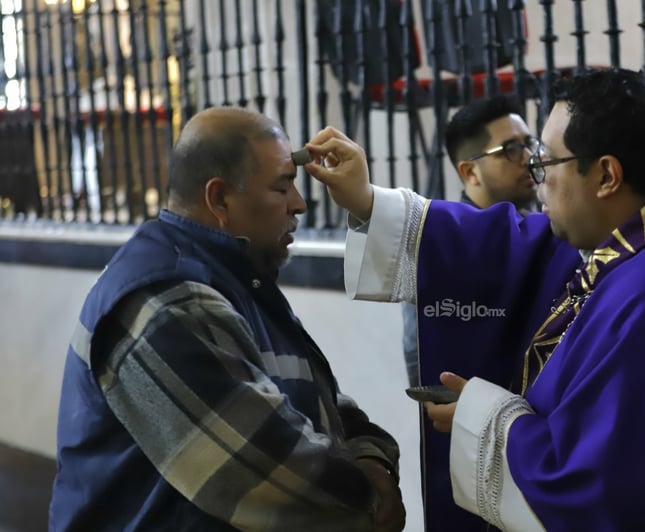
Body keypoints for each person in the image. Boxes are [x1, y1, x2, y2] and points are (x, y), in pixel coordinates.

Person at [303, 69, 645, 530]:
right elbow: (515, 243)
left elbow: (603, 495)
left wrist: (483, 419)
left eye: (545, 162)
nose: (535, 180)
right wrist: (369, 200)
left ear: (607, 175)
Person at [48, 107, 405, 531]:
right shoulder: (168, 298)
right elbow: (270, 473)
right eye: (282, 186)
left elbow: (318, 402)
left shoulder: (234, 280)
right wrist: (370, 496)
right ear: (219, 198)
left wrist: (373, 456)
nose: (300, 204)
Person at [402, 94, 540, 387]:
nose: (529, 157)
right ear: (470, 171)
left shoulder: (542, 231)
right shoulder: (442, 246)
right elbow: (423, 356)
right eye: (512, 149)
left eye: (530, 143)